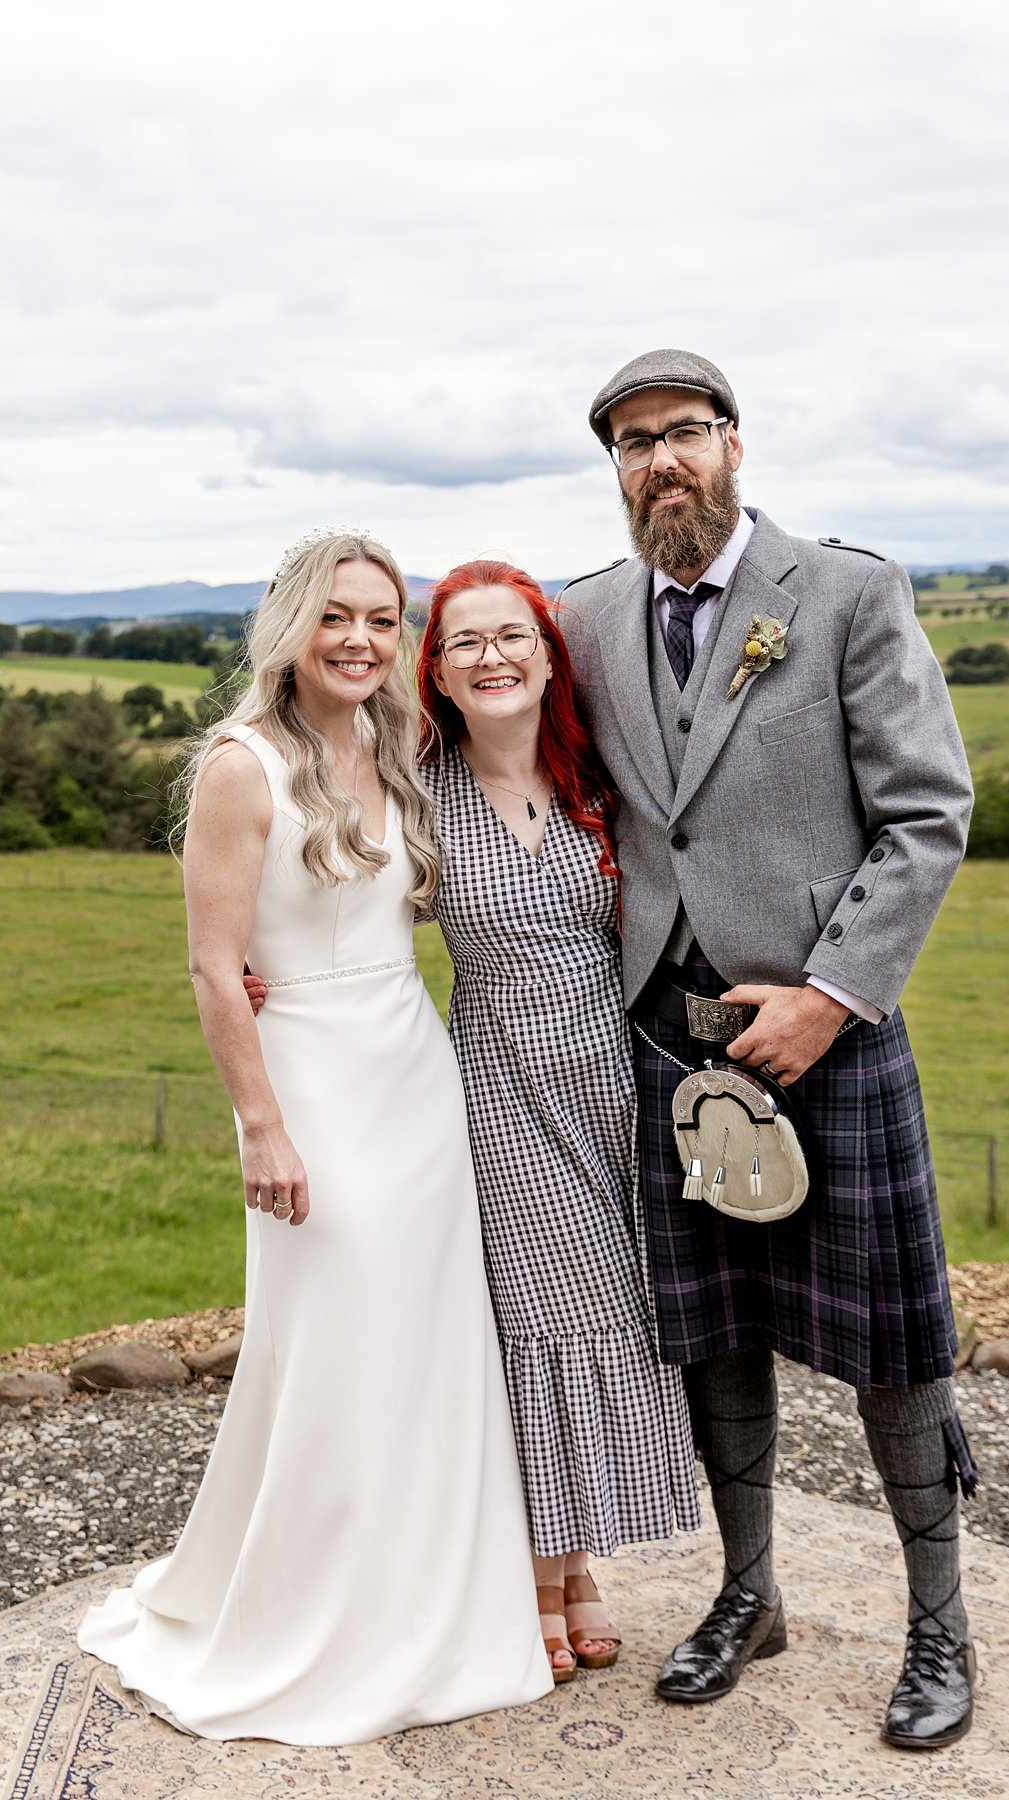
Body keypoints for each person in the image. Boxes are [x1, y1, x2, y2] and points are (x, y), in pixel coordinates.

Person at [557, 350, 979, 1750]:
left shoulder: (847, 593)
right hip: (667, 1045)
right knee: (714, 1334)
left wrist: (830, 992)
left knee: (893, 1344)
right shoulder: (586, 617)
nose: (659, 462)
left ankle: (940, 1626)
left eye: (681, 432)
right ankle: (751, 1593)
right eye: (632, 444)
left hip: (825, 1043)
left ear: (733, 442)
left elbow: (927, 813)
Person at [77, 528, 553, 1744]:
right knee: (337, 1353)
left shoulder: (400, 744)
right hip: (313, 1091)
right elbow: (213, 966)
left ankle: (438, 1610)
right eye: (336, 616)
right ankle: (316, 1622)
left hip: (416, 1075)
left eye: (383, 620)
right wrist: (263, 1129)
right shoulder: (242, 767)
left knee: (431, 1350)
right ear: (290, 626)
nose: (359, 639)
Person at [417, 560, 700, 1680]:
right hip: (498, 1085)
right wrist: (261, 967)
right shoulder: (414, 787)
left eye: (510, 637)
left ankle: (576, 1565)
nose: (490, 658)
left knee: (612, 1310)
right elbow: (325, 881)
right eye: (464, 642)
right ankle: (541, 1574)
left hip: (617, 1080)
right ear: (438, 673)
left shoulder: (603, 778)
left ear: (547, 656)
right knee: (542, 1314)